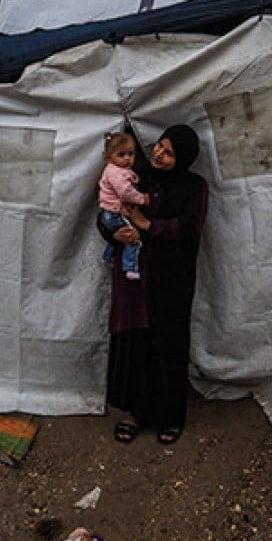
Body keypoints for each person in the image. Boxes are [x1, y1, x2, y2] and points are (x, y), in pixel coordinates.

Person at [97, 124, 208, 445]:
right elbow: (107, 210)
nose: (160, 154)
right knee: (135, 340)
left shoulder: (193, 186)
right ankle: (135, 412)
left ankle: (168, 416)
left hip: (170, 276)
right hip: (133, 276)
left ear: (182, 158)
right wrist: (115, 234)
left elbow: (190, 227)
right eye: (160, 146)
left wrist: (148, 224)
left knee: (168, 341)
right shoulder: (136, 174)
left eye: (170, 153)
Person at [97, 132, 150, 280]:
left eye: (130, 154)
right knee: (132, 238)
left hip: (108, 213)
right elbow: (125, 192)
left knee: (118, 236)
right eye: (121, 155)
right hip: (113, 213)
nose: (127, 158)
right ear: (109, 157)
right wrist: (141, 199)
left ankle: (108, 258)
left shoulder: (114, 169)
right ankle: (130, 268)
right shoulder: (117, 173)